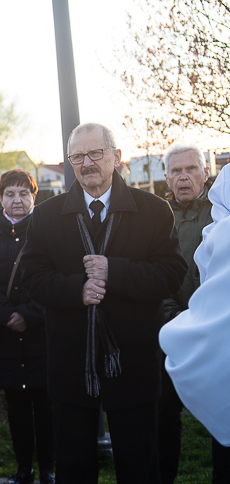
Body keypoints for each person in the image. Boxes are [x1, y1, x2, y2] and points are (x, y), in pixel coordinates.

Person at [21, 123, 187, 484]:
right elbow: (31, 278)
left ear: (116, 156)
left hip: (134, 361)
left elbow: (172, 274)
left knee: (139, 464)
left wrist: (116, 272)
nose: (87, 163)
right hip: (70, 360)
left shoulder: (154, 210)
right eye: (77, 156)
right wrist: (75, 290)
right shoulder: (47, 216)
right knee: (73, 465)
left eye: (95, 153)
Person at [0, 170, 54, 484]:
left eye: (24, 193)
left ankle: (48, 469)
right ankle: (23, 469)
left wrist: (29, 315)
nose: (17, 200)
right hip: (5, 336)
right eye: (10, 194)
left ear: (34, 196)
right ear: (0, 198)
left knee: (45, 406)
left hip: (41, 335)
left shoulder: (48, 232)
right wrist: (7, 314)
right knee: (15, 406)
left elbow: (56, 278)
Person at [156, 141, 228, 483]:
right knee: (163, 417)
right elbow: (151, 272)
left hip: (217, 335)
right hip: (168, 331)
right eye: (177, 171)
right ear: (166, 178)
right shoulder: (154, 218)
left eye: (191, 169)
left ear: (206, 173)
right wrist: (171, 314)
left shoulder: (221, 216)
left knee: (223, 417)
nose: (184, 177)